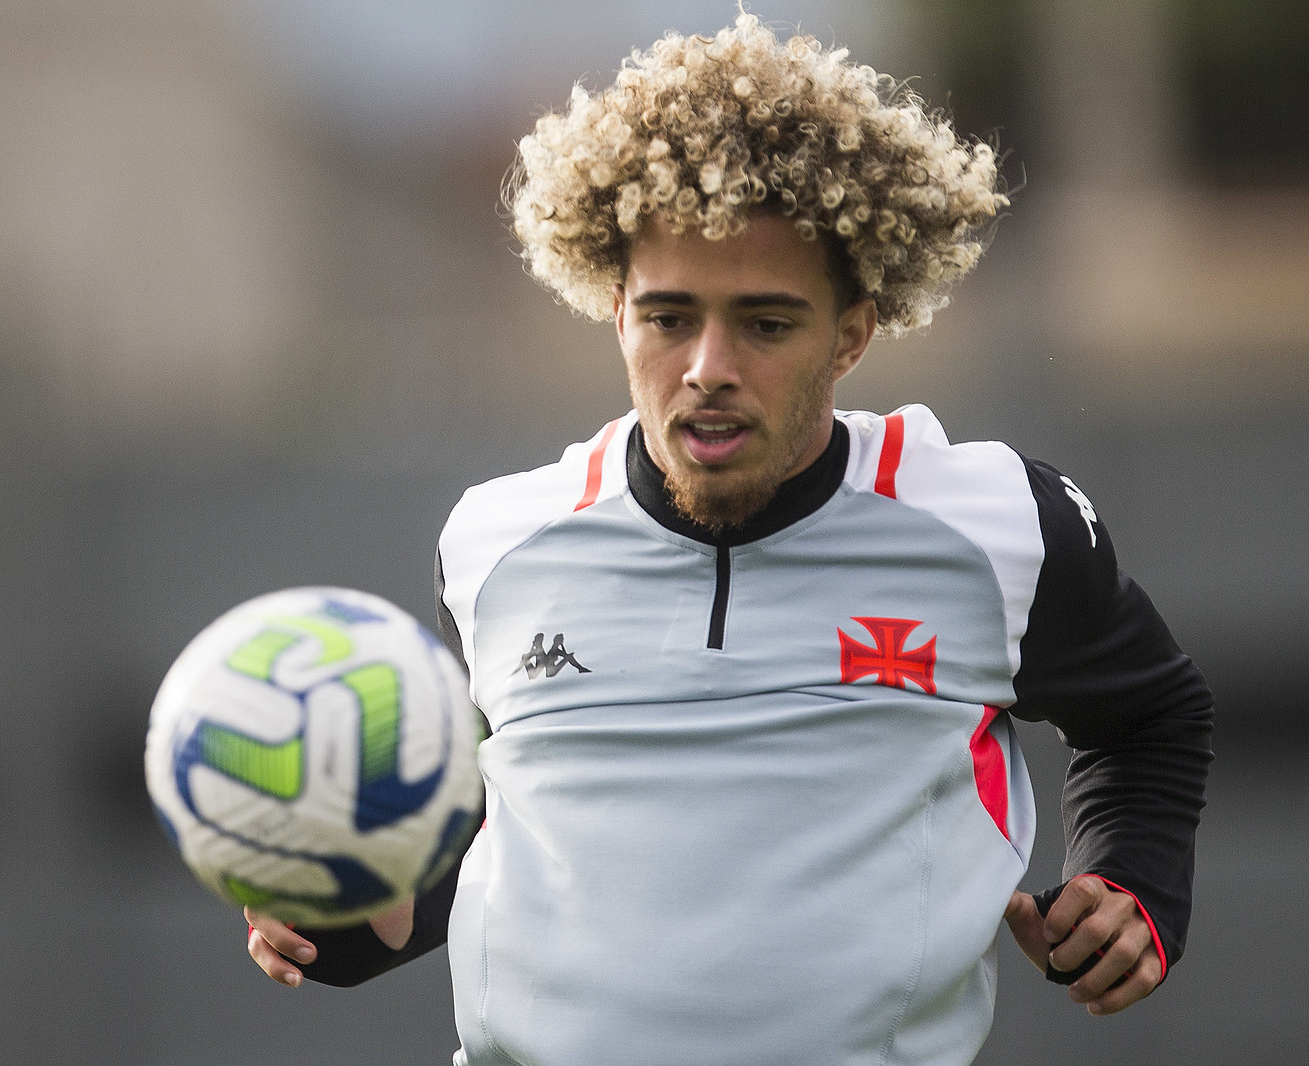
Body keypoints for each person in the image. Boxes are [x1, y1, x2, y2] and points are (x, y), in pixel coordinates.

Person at [246, 12, 1212, 1065]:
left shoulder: (993, 528)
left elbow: (1150, 716)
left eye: (764, 321)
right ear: (614, 310)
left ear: (851, 332)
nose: (708, 364)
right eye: (668, 318)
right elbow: (506, 839)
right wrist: (346, 917)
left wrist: (1128, 882)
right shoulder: (496, 542)